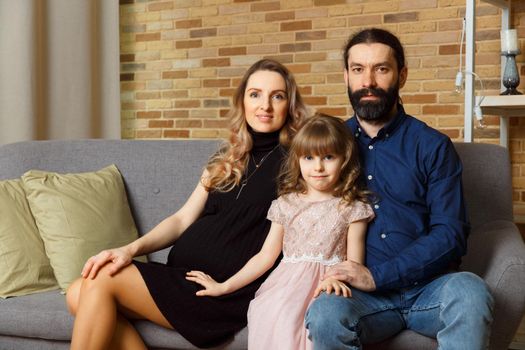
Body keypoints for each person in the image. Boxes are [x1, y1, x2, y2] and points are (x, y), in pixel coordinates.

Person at [65, 58, 308, 350]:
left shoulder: (299, 163)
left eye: (277, 96)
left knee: (100, 280)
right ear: (242, 101)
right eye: (255, 94)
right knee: (77, 292)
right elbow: (181, 220)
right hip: (182, 276)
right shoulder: (226, 160)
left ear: (289, 105)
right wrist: (130, 249)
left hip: (221, 291)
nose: (265, 106)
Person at [305, 28, 494, 349]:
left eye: (381, 69)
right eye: (358, 70)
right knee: (325, 314)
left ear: (401, 75)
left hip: (430, 289)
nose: (368, 82)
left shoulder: (433, 146)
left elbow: (451, 234)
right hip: (361, 298)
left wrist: (378, 275)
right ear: (347, 77)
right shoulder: (328, 147)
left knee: (470, 292)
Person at [186, 114, 375, 350]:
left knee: (317, 321)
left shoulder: (351, 208)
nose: (318, 167)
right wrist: (224, 286)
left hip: (327, 286)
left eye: (328, 157)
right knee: (275, 311)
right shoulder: (286, 204)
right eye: (308, 157)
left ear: (344, 159)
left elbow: (355, 264)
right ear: (297, 160)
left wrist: (335, 279)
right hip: (285, 286)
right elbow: (265, 257)